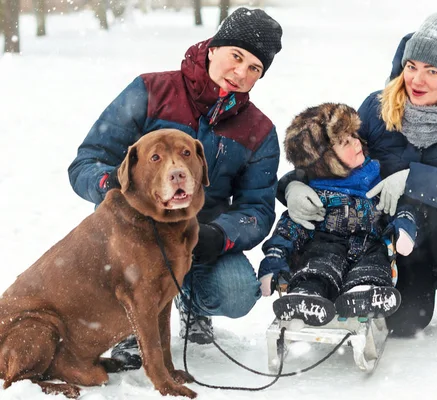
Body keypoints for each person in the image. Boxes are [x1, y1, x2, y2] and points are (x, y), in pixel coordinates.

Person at [68, 7, 283, 369]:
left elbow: (258, 209)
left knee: (237, 292)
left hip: (198, 237)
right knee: (118, 250)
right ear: (213, 48)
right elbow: (87, 162)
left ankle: (191, 302)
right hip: (134, 230)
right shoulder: (151, 90)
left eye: (254, 69)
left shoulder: (258, 131)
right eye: (236, 56)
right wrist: (116, 189)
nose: (240, 72)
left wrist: (220, 235)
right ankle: (132, 324)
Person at [281, 11, 437, 337]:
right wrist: (294, 186)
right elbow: (340, 156)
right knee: (405, 319)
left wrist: (413, 179)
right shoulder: (378, 107)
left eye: (432, 71)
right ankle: (338, 288)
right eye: (412, 66)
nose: (417, 80)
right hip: (394, 229)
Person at [257, 103, 413, 326]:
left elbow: (398, 207)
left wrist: (405, 227)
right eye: (344, 142)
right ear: (325, 159)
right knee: (318, 265)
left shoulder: (378, 176)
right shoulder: (313, 192)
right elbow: (291, 226)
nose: (357, 142)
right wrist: (274, 257)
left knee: (374, 264)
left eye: (353, 135)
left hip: (371, 245)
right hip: (326, 245)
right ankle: (308, 294)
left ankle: (364, 292)